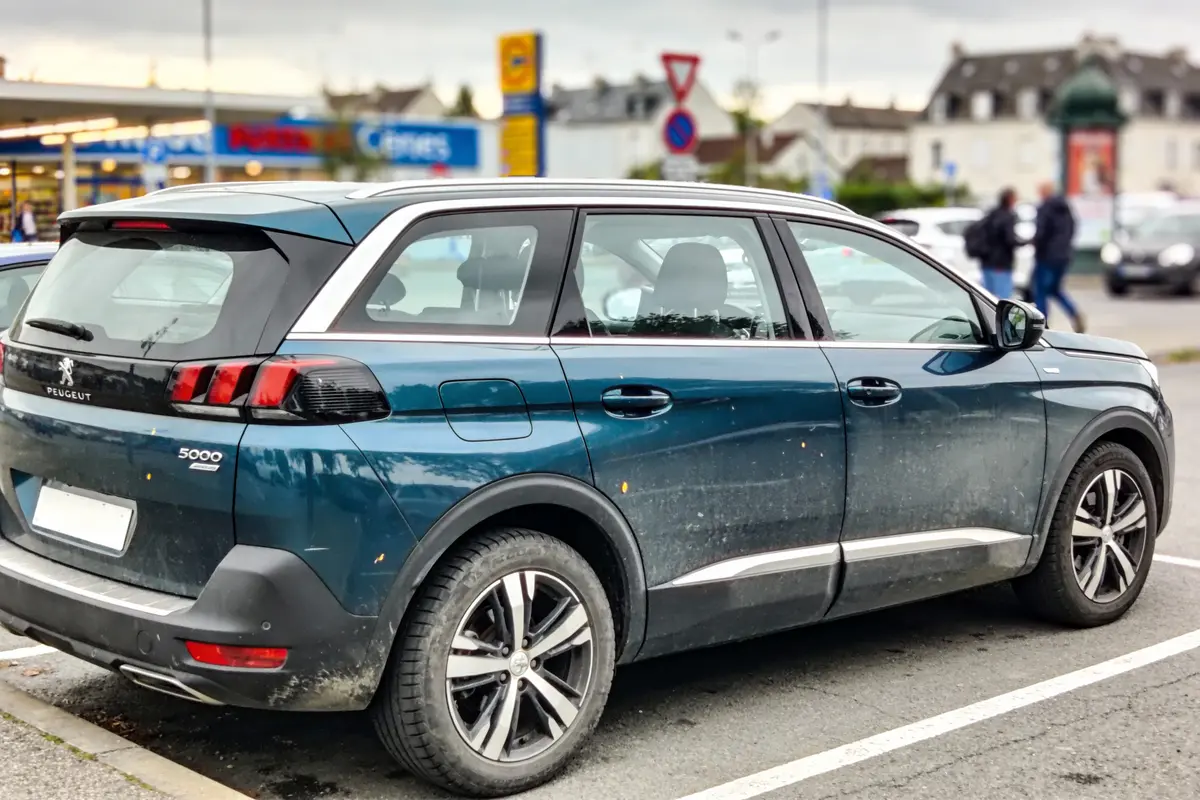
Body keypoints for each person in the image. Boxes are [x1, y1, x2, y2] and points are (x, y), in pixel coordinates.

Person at [1032, 181, 1085, 333]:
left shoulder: (1045, 208)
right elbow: (1073, 229)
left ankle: (1041, 325)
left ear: (1044, 192)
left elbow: (1041, 233)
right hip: (1063, 256)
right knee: (1054, 289)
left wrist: (1035, 244)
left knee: (1040, 290)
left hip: (1046, 256)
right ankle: (1073, 312)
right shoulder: (1067, 209)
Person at [980, 188, 1022, 299]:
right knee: (1004, 298)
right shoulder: (1007, 216)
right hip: (1001, 263)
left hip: (986, 261)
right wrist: (1025, 242)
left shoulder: (991, 214)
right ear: (1010, 199)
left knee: (986, 298)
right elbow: (1010, 239)